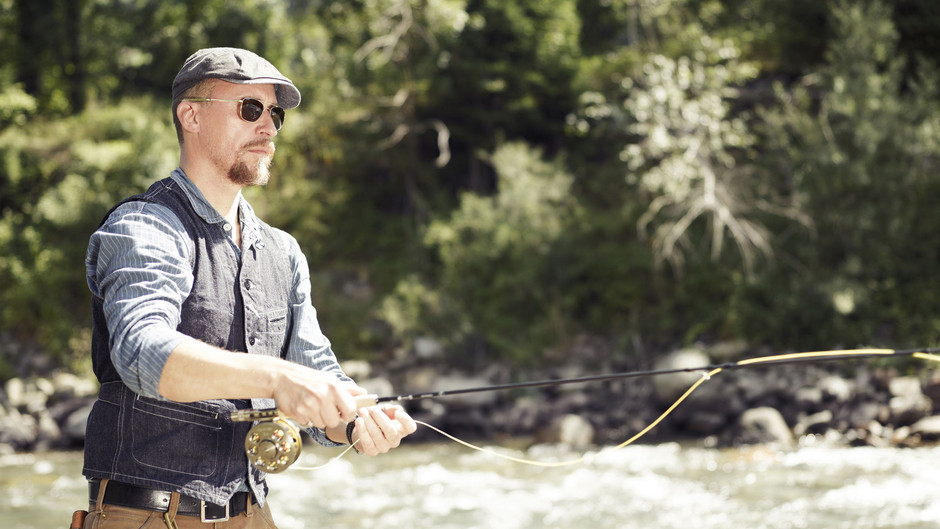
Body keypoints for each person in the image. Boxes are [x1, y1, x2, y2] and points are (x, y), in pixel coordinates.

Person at [80, 47, 417, 528]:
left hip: (255, 515)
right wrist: (275, 379)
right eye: (250, 109)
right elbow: (142, 351)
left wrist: (356, 423)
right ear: (190, 115)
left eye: (274, 114)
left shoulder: (284, 252)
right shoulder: (144, 226)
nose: (269, 128)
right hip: (144, 517)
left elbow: (317, 373)